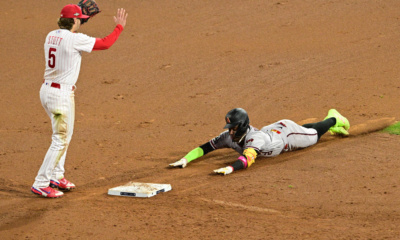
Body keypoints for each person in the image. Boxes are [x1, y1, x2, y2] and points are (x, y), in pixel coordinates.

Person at [31, 4, 128, 198]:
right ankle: (41, 183)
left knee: (64, 137)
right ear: (75, 20)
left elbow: (71, 28)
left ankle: (56, 176)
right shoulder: (76, 40)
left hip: (47, 92)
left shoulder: (51, 35)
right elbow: (105, 43)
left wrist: (79, 16)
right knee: (60, 140)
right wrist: (119, 27)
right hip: (61, 96)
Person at [169, 108, 350, 175]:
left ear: (241, 126)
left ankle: (333, 118)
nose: (229, 131)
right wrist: (185, 159)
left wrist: (231, 168)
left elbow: (248, 159)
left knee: (313, 136)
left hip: (287, 136)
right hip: (274, 130)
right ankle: (330, 122)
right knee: (306, 131)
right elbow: (205, 148)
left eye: (232, 127)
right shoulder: (228, 137)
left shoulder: (254, 138)